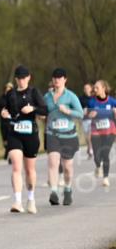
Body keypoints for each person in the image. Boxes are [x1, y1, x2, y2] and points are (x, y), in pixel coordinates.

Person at [0, 65, 47, 213]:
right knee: (16, 166)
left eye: (24, 78)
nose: (21, 81)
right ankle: (17, 201)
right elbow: (4, 109)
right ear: (16, 79)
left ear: (29, 77)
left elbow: (45, 110)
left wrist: (33, 109)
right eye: (19, 78)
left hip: (30, 134)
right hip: (14, 133)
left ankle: (31, 199)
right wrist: (4, 113)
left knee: (29, 169)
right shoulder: (11, 94)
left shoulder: (34, 92)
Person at [43, 68, 83, 206]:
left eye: (59, 78)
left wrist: (67, 111)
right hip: (52, 134)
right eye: (54, 78)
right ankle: (53, 192)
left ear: (65, 79)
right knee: (53, 162)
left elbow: (80, 114)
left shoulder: (71, 96)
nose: (56, 80)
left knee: (67, 166)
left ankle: (67, 189)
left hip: (68, 135)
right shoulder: (47, 97)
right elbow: (42, 112)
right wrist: (41, 115)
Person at [87, 79, 116, 187]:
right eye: (94, 87)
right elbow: (86, 115)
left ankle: (105, 178)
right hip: (96, 131)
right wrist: (90, 115)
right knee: (96, 156)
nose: (95, 89)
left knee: (105, 153)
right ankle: (98, 166)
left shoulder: (112, 101)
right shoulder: (92, 102)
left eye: (97, 87)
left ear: (104, 88)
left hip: (110, 130)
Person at [0, 82, 15, 160]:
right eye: (6, 89)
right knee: (5, 140)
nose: (8, 91)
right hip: (3, 122)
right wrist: (1, 111)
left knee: (11, 139)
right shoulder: (1, 99)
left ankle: (9, 155)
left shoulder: (15, 98)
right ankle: (7, 151)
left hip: (12, 122)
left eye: (10, 90)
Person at [80, 82, 95, 159]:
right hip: (84, 119)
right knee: (87, 137)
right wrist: (83, 111)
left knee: (90, 135)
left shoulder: (94, 98)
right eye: (85, 88)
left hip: (93, 119)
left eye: (88, 88)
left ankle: (91, 150)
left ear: (91, 89)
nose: (86, 90)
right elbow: (78, 108)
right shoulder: (81, 99)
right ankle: (89, 148)